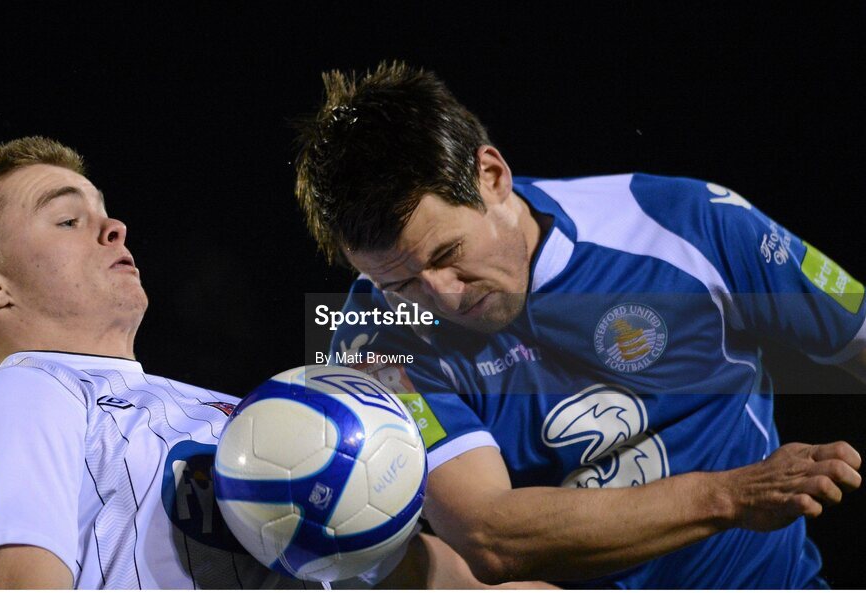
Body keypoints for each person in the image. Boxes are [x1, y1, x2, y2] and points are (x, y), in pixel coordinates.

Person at [293, 62, 864, 588]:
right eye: (400, 283)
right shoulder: (374, 342)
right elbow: (490, 535)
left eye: (447, 254)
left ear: (491, 176)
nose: (440, 295)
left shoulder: (684, 225)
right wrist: (732, 496)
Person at [0, 137, 546, 589]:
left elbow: (402, 568)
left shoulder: (215, 410)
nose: (114, 229)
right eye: (67, 219)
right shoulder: (26, 392)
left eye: (105, 212)